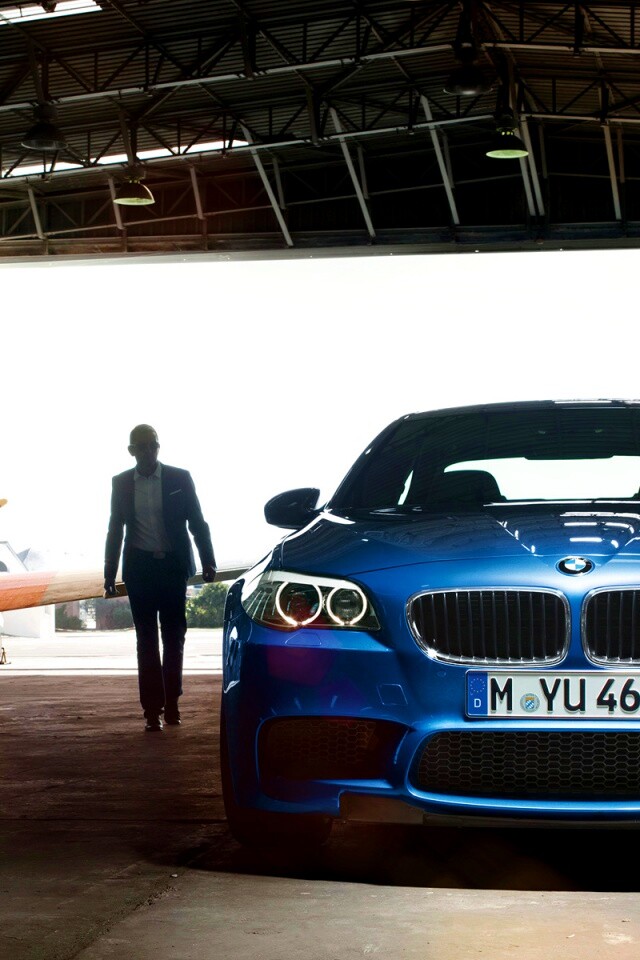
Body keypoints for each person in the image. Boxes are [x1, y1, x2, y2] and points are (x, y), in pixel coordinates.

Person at [104, 424, 216, 732]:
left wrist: (208, 560)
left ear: (158, 447)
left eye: (153, 445)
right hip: (140, 569)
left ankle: (173, 703)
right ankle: (152, 710)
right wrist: (109, 573)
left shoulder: (180, 478)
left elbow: (197, 521)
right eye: (141, 446)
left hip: (172, 568)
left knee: (174, 637)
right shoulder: (121, 483)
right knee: (146, 640)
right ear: (132, 451)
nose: (148, 451)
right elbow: (115, 529)